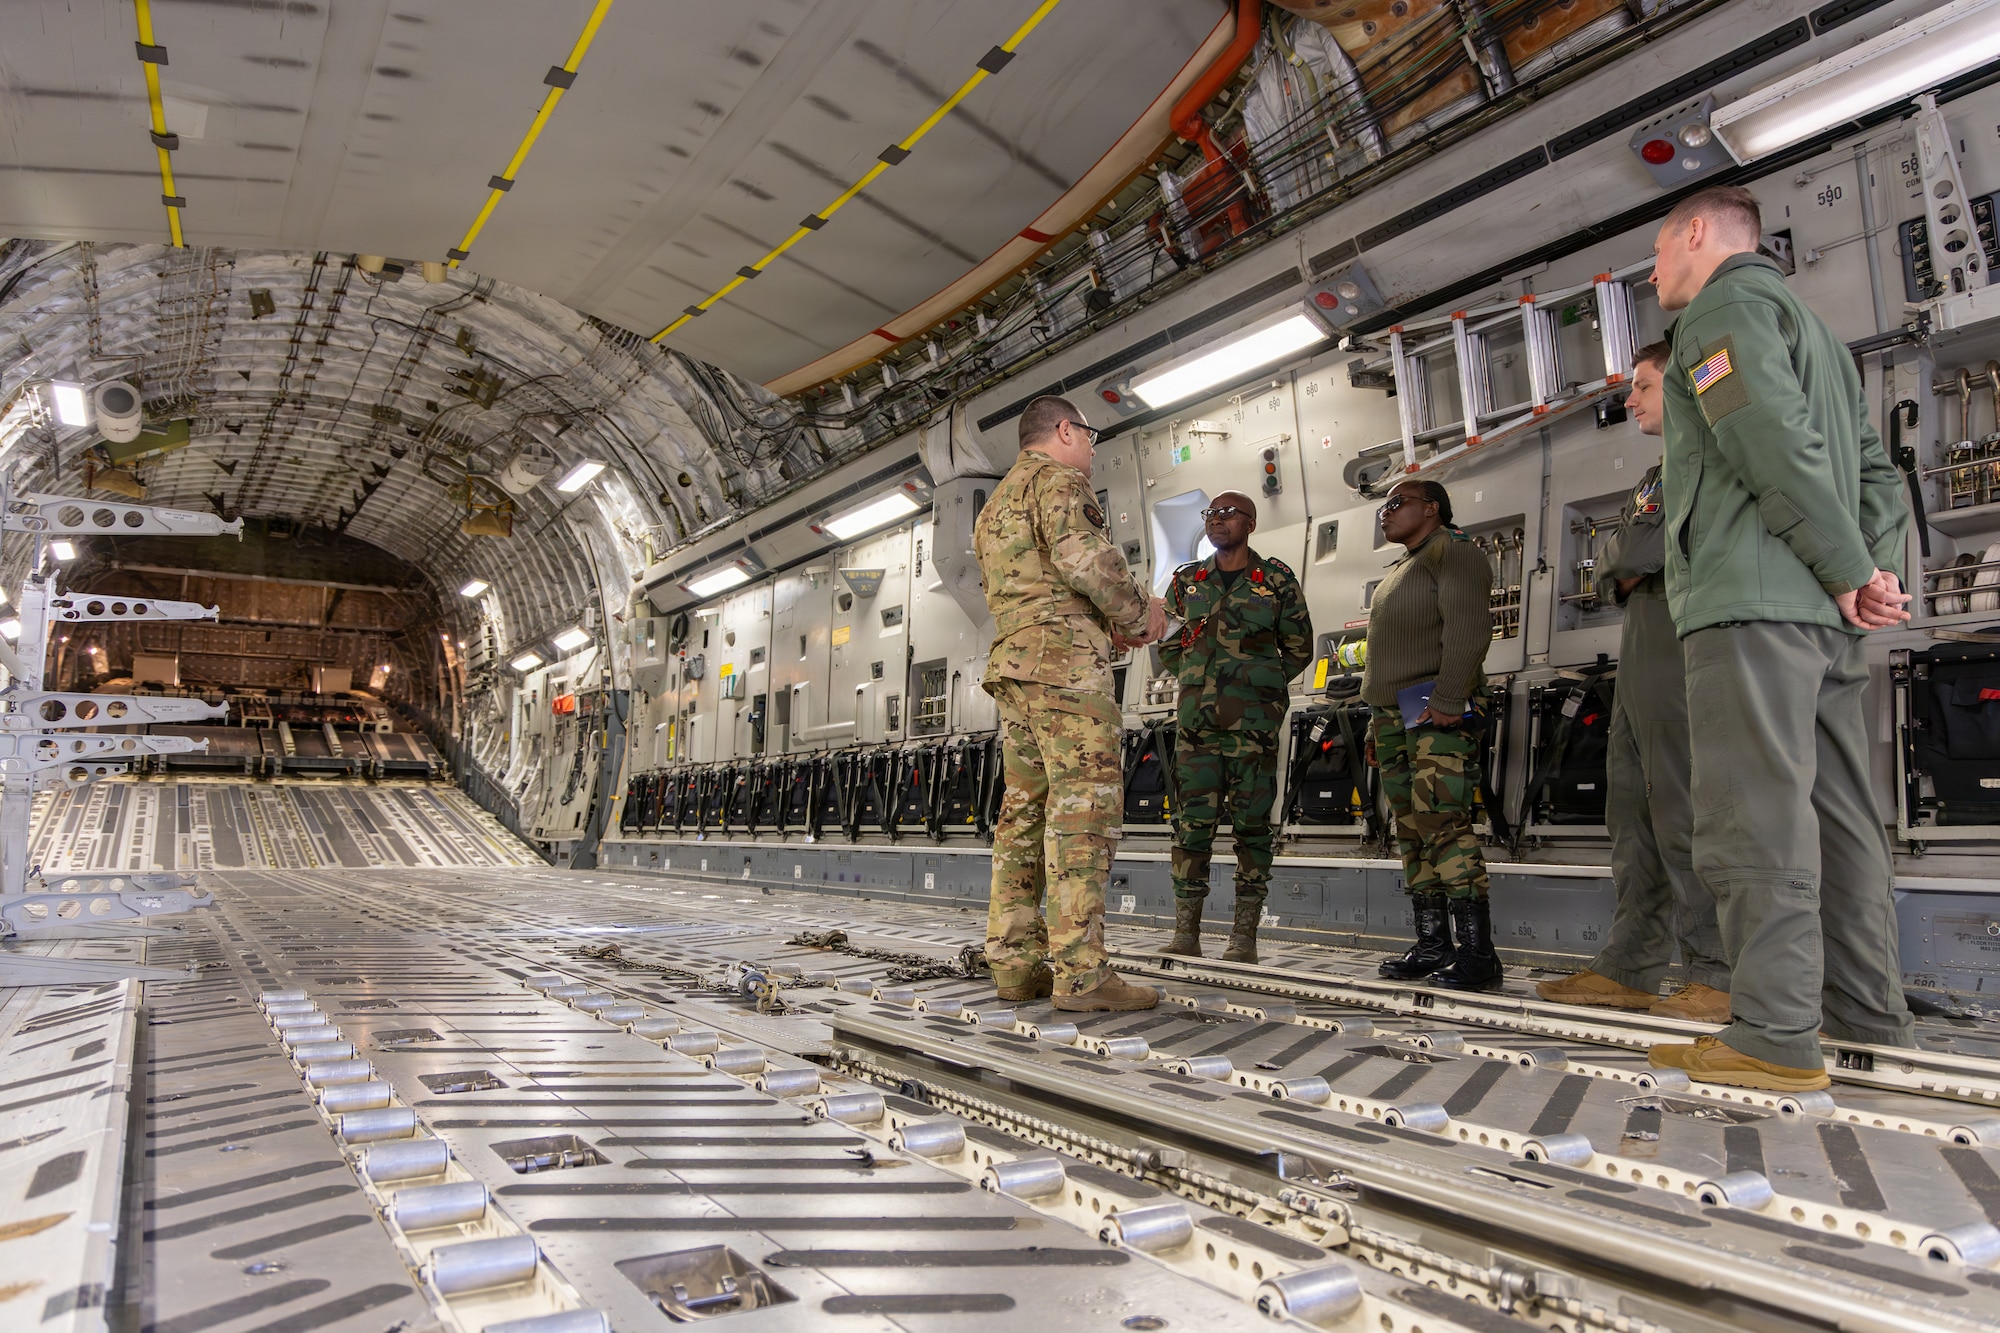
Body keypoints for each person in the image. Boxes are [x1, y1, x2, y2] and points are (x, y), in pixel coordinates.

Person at [1643, 185, 1913, 1094]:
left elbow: (1766, 440)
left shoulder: (1722, 310)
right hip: (1825, 621)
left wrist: (1846, 571)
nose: (1655, 275)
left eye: (1655, 255)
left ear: (1695, 233)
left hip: (1754, 604)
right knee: (1841, 814)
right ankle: (1867, 1013)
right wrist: (1868, 577)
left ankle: (1772, 1031)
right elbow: (1876, 471)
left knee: (1752, 813)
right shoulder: (1822, 337)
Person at [1537, 342, 1731, 1023]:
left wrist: (1624, 557)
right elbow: (1619, 567)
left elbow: (1632, 552)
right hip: (1644, 636)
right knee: (1632, 809)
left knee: (1681, 808)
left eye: (1643, 386)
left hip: (1678, 636)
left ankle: (1719, 971)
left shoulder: (1700, 451)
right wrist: (1624, 561)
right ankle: (1631, 966)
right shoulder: (1660, 468)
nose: (1631, 400)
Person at [975, 394, 1167, 1012]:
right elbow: (1085, 560)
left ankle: (1014, 966)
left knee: (1023, 815)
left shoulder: (996, 502)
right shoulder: (1058, 482)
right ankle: (1082, 976)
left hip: (1016, 666)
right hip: (1065, 672)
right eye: (1088, 436)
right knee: (1083, 814)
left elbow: (1033, 584)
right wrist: (1142, 616)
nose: (1091, 449)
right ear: (1064, 430)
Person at [1157, 492, 1314, 963]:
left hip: (1253, 729)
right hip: (1197, 728)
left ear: (1251, 523)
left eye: (1228, 515)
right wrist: (1194, 679)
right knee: (1190, 828)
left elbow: (1299, 648)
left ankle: (1244, 936)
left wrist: (1258, 688)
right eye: (1211, 515)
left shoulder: (1276, 582)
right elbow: (1164, 640)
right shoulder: (1188, 582)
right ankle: (1187, 932)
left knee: (1252, 828)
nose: (1217, 521)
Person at [1361, 479, 1502, 989]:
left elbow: (1469, 630)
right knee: (1411, 825)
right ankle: (1433, 943)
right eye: (1384, 505)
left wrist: (1447, 699)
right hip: (1396, 713)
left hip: (1433, 706)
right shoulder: (1406, 567)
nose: (1387, 513)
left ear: (1433, 509)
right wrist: (1380, 726)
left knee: (1441, 820)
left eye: (1397, 503)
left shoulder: (1455, 553)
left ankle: (1478, 955)